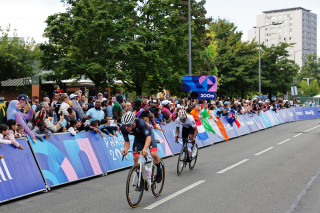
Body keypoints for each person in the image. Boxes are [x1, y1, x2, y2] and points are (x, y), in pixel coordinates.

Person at [121, 111, 162, 183]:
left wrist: (145, 149)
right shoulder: (123, 128)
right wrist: (125, 149)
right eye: (125, 125)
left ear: (133, 123)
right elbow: (127, 141)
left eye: (128, 125)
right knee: (136, 158)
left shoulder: (141, 123)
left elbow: (148, 138)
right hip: (138, 139)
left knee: (153, 154)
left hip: (149, 136)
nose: (126, 127)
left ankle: (159, 170)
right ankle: (141, 180)